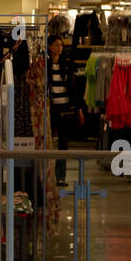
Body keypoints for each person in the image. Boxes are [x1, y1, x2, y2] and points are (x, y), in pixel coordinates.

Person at [48, 36, 83, 186]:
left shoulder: (67, 65)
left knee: (63, 144)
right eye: (56, 45)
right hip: (51, 109)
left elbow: (73, 88)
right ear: (49, 47)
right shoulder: (45, 65)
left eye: (61, 45)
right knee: (48, 143)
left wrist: (78, 109)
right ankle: (47, 175)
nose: (59, 48)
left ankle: (60, 176)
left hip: (66, 108)